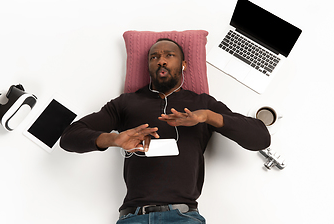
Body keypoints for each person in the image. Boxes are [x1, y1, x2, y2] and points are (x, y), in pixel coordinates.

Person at [60, 38, 271, 223]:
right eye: (154, 57)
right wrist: (114, 139)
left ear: (184, 64)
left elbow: (260, 138)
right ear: (149, 66)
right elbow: (69, 137)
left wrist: (207, 116)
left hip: (184, 217)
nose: (161, 60)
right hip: (133, 217)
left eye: (169, 55)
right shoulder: (126, 103)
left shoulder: (202, 103)